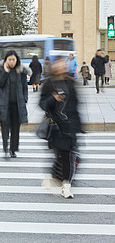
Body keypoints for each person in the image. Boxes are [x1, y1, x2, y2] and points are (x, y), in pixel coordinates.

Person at [40, 57, 82, 199]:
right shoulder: (48, 84)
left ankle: (66, 186)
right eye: (58, 64)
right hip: (55, 127)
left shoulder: (70, 83)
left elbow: (76, 105)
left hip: (69, 127)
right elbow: (42, 105)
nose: (61, 67)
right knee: (61, 156)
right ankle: (54, 177)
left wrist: (78, 126)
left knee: (68, 156)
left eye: (63, 64)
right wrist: (53, 99)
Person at [0, 50, 29, 158]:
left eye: (13, 59)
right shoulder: (2, 70)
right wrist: (5, 72)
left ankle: (13, 149)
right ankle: (5, 148)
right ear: (5, 60)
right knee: (5, 127)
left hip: (17, 105)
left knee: (16, 128)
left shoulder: (21, 71)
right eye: (9, 59)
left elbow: (25, 86)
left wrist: (24, 99)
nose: (11, 62)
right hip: (4, 104)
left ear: (17, 60)